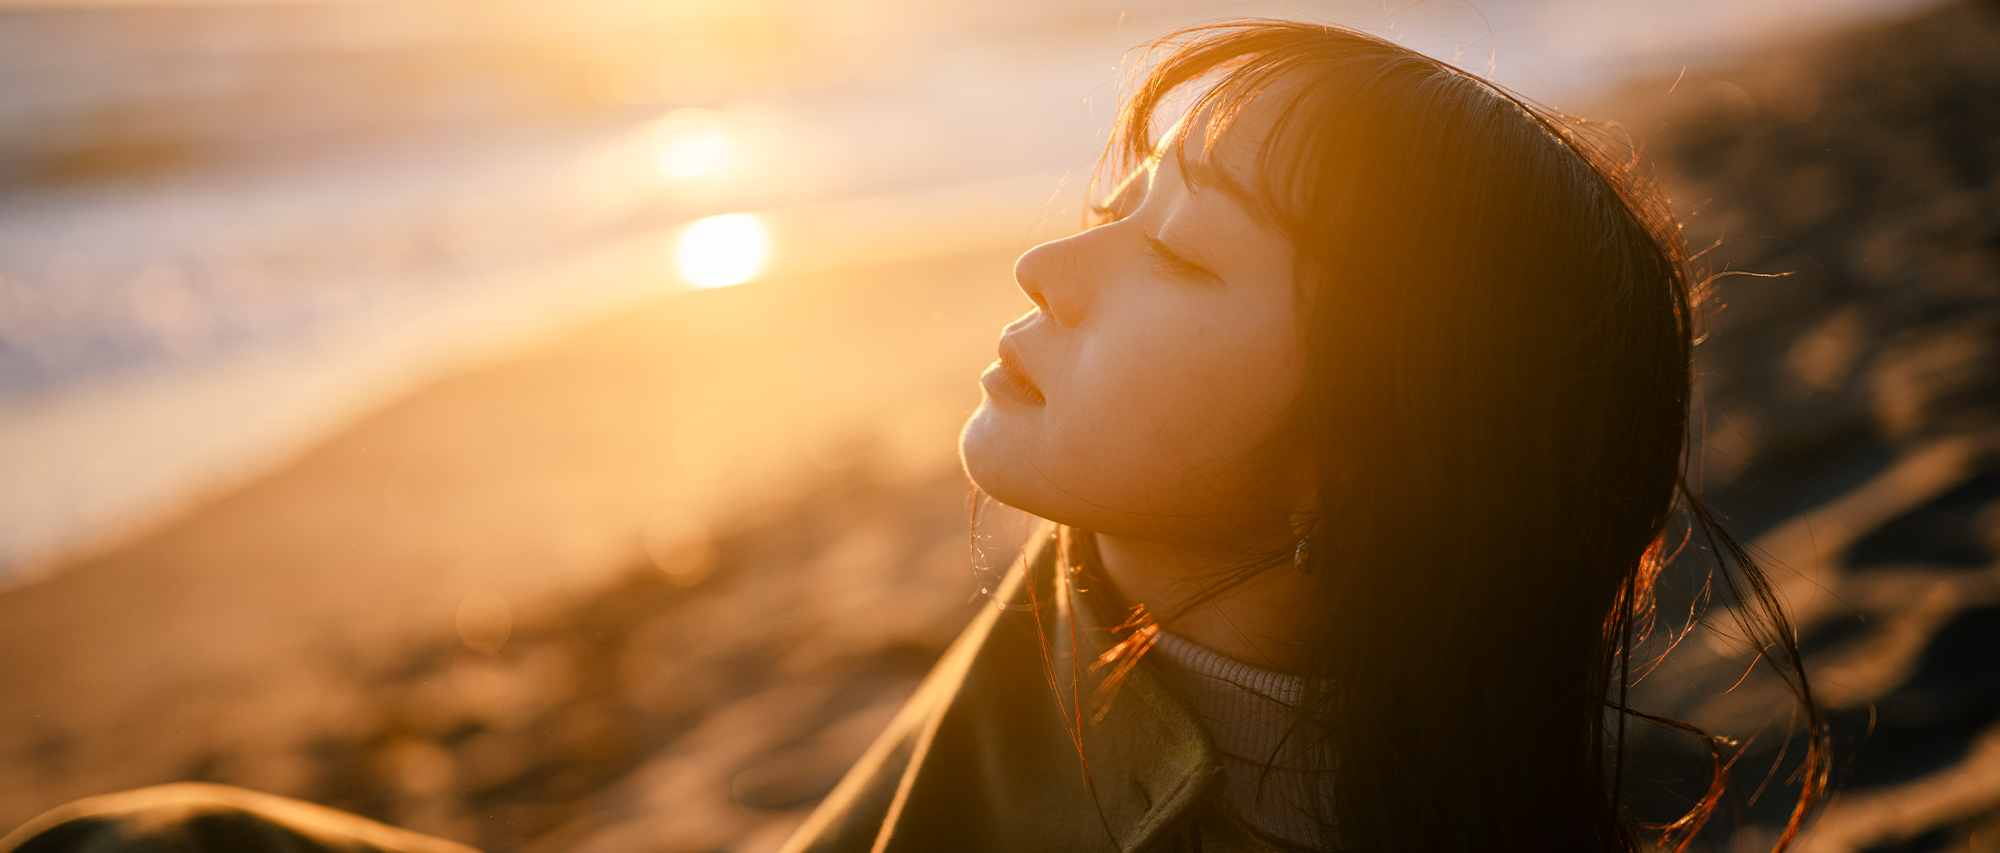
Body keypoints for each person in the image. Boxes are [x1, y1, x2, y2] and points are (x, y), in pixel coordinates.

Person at [1, 20, 1824, 853]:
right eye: (1119, 195)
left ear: (1352, 459)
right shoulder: (1158, 553)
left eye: (1177, 252)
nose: (1048, 260)